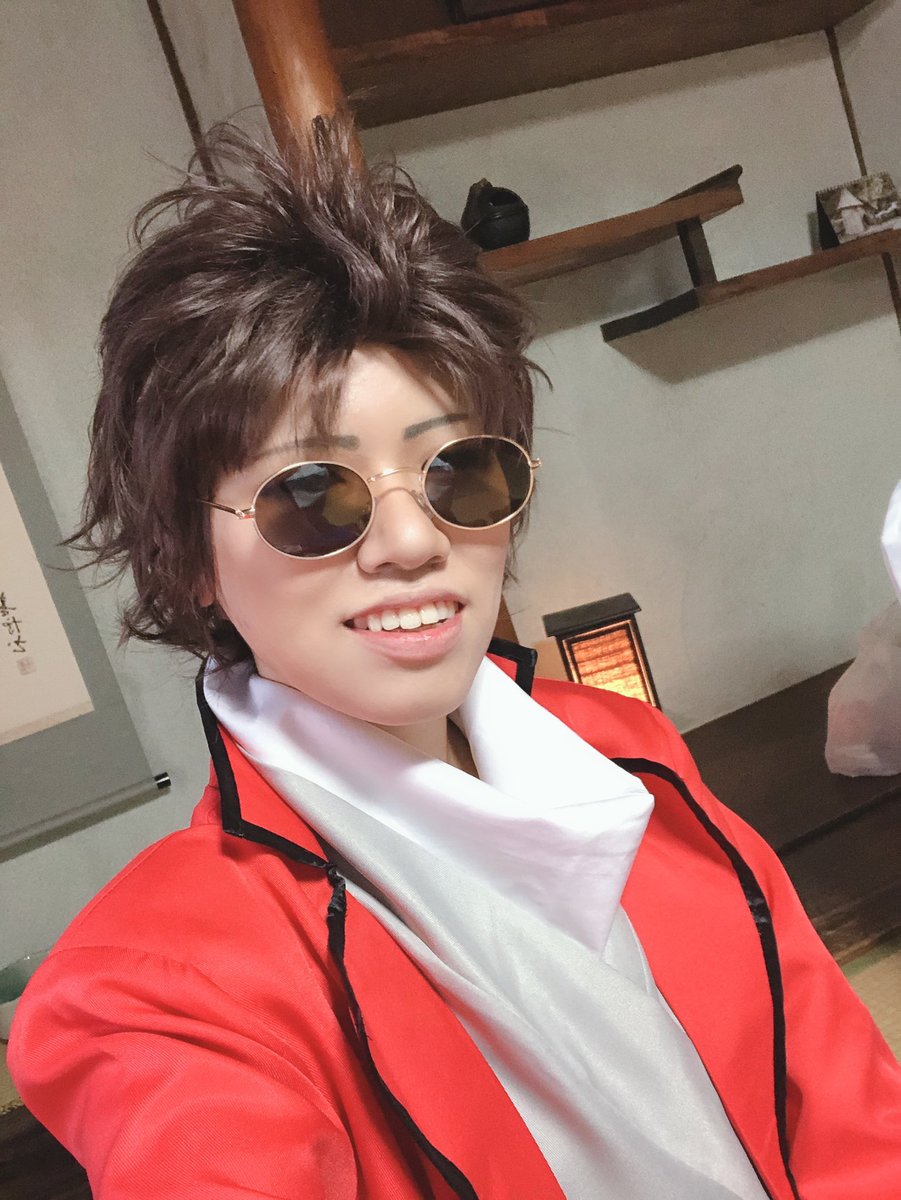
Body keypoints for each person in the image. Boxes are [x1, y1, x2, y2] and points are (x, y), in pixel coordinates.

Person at [8, 113, 901, 1200]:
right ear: (189, 557)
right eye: (311, 494)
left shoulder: (621, 748)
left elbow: (845, 1109)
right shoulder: (163, 985)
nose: (414, 541)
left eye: (457, 472)